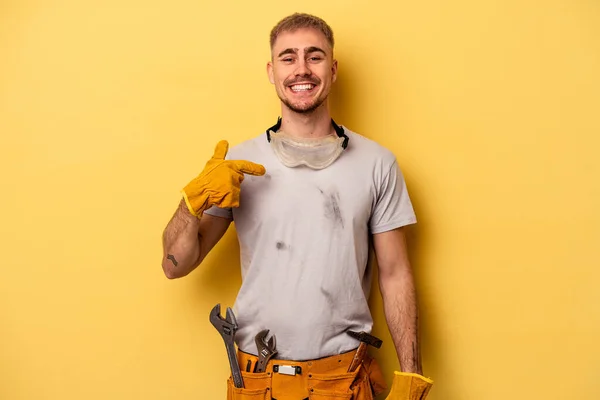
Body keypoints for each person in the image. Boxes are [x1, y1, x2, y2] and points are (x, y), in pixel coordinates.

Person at [161, 12, 433, 400]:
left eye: (314, 56)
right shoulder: (237, 166)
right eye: (288, 58)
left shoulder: (377, 163)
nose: (301, 69)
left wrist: (412, 375)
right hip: (257, 380)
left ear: (333, 69)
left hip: (344, 380)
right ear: (272, 71)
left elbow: (395, 274)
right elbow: (176, 265)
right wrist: (191, 203)